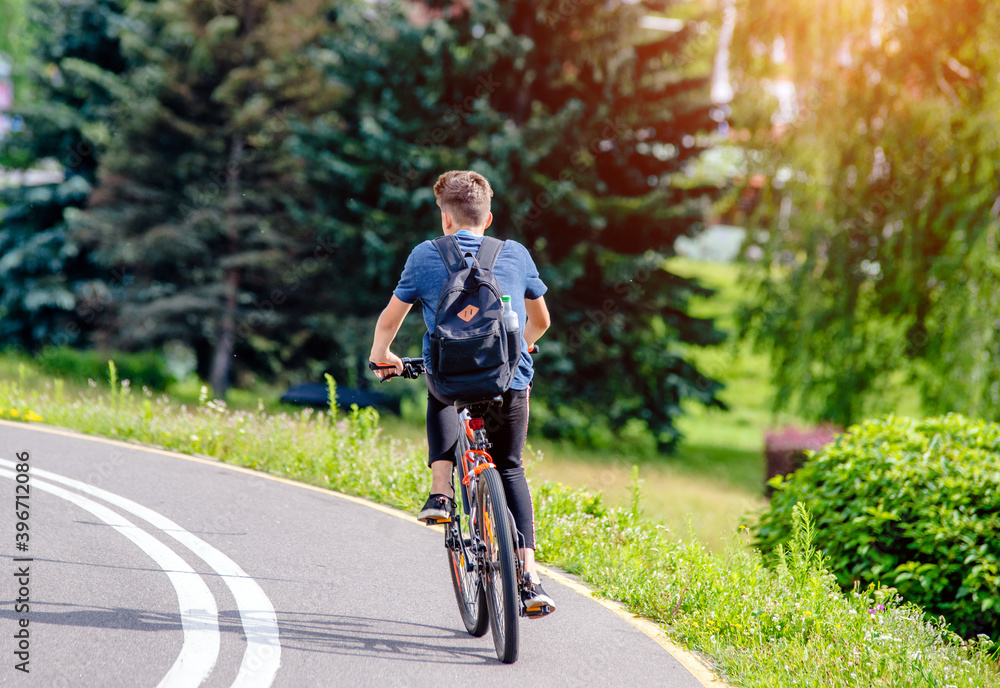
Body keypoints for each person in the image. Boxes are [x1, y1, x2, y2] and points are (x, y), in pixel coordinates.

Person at [369, 170, 555, 615]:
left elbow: (389, 321)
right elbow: (543, 321)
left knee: (438, 390)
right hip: (508, 382)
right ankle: (528, 577)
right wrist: (520, 350)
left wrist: (383, 357)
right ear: (487, 219)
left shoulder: (424, 256)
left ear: (446, 219)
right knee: (510, 467)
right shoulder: (515, 254)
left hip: (452, 381)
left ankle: (441, 493)